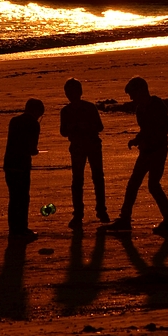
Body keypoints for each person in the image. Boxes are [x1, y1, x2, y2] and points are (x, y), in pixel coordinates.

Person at [106, 77, 168, 236]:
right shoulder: (140, 108)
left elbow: (165, 128)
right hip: (146, 151)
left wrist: (149, 140)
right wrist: (137, 140)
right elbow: (145, 129)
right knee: (133, 184)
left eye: (132, 94)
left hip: (158, 151)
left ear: (141, 91)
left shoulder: (157, 105)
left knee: (153, 185)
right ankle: (125, 218)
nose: (131, 98)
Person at [60, 78, 110, 229]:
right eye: (69, 92)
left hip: (91, 145)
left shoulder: (88, 108)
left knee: (96, 178)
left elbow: (99, 127)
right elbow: (63, 131)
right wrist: (74, 127)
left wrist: (84, 126)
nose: (71, 95)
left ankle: (100, 211)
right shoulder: (66, 111)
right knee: (79, 180)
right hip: (78, 147)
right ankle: (79, 214)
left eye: (73, 92)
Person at [3, 98, 45, 240]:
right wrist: (35, 151)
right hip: (22, 165)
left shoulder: (14, 121)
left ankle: (14, 229)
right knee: (23, 198)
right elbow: (32, 148)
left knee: (13, 198)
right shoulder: (33, 124)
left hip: (9, 164)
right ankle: (22, 229)